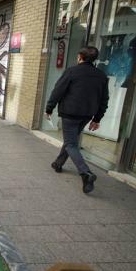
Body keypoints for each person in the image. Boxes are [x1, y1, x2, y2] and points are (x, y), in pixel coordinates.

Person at [45, 46, 109, 194]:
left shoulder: (72, 71)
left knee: (71, 143)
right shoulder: (101, 76)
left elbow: (58, 90)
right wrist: (97, 118)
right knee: (70, 141)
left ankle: (85, 173)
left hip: (70, 113)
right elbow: (104, 99)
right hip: (87, 115)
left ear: (80, 56)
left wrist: (49, 108)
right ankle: (58, 164)